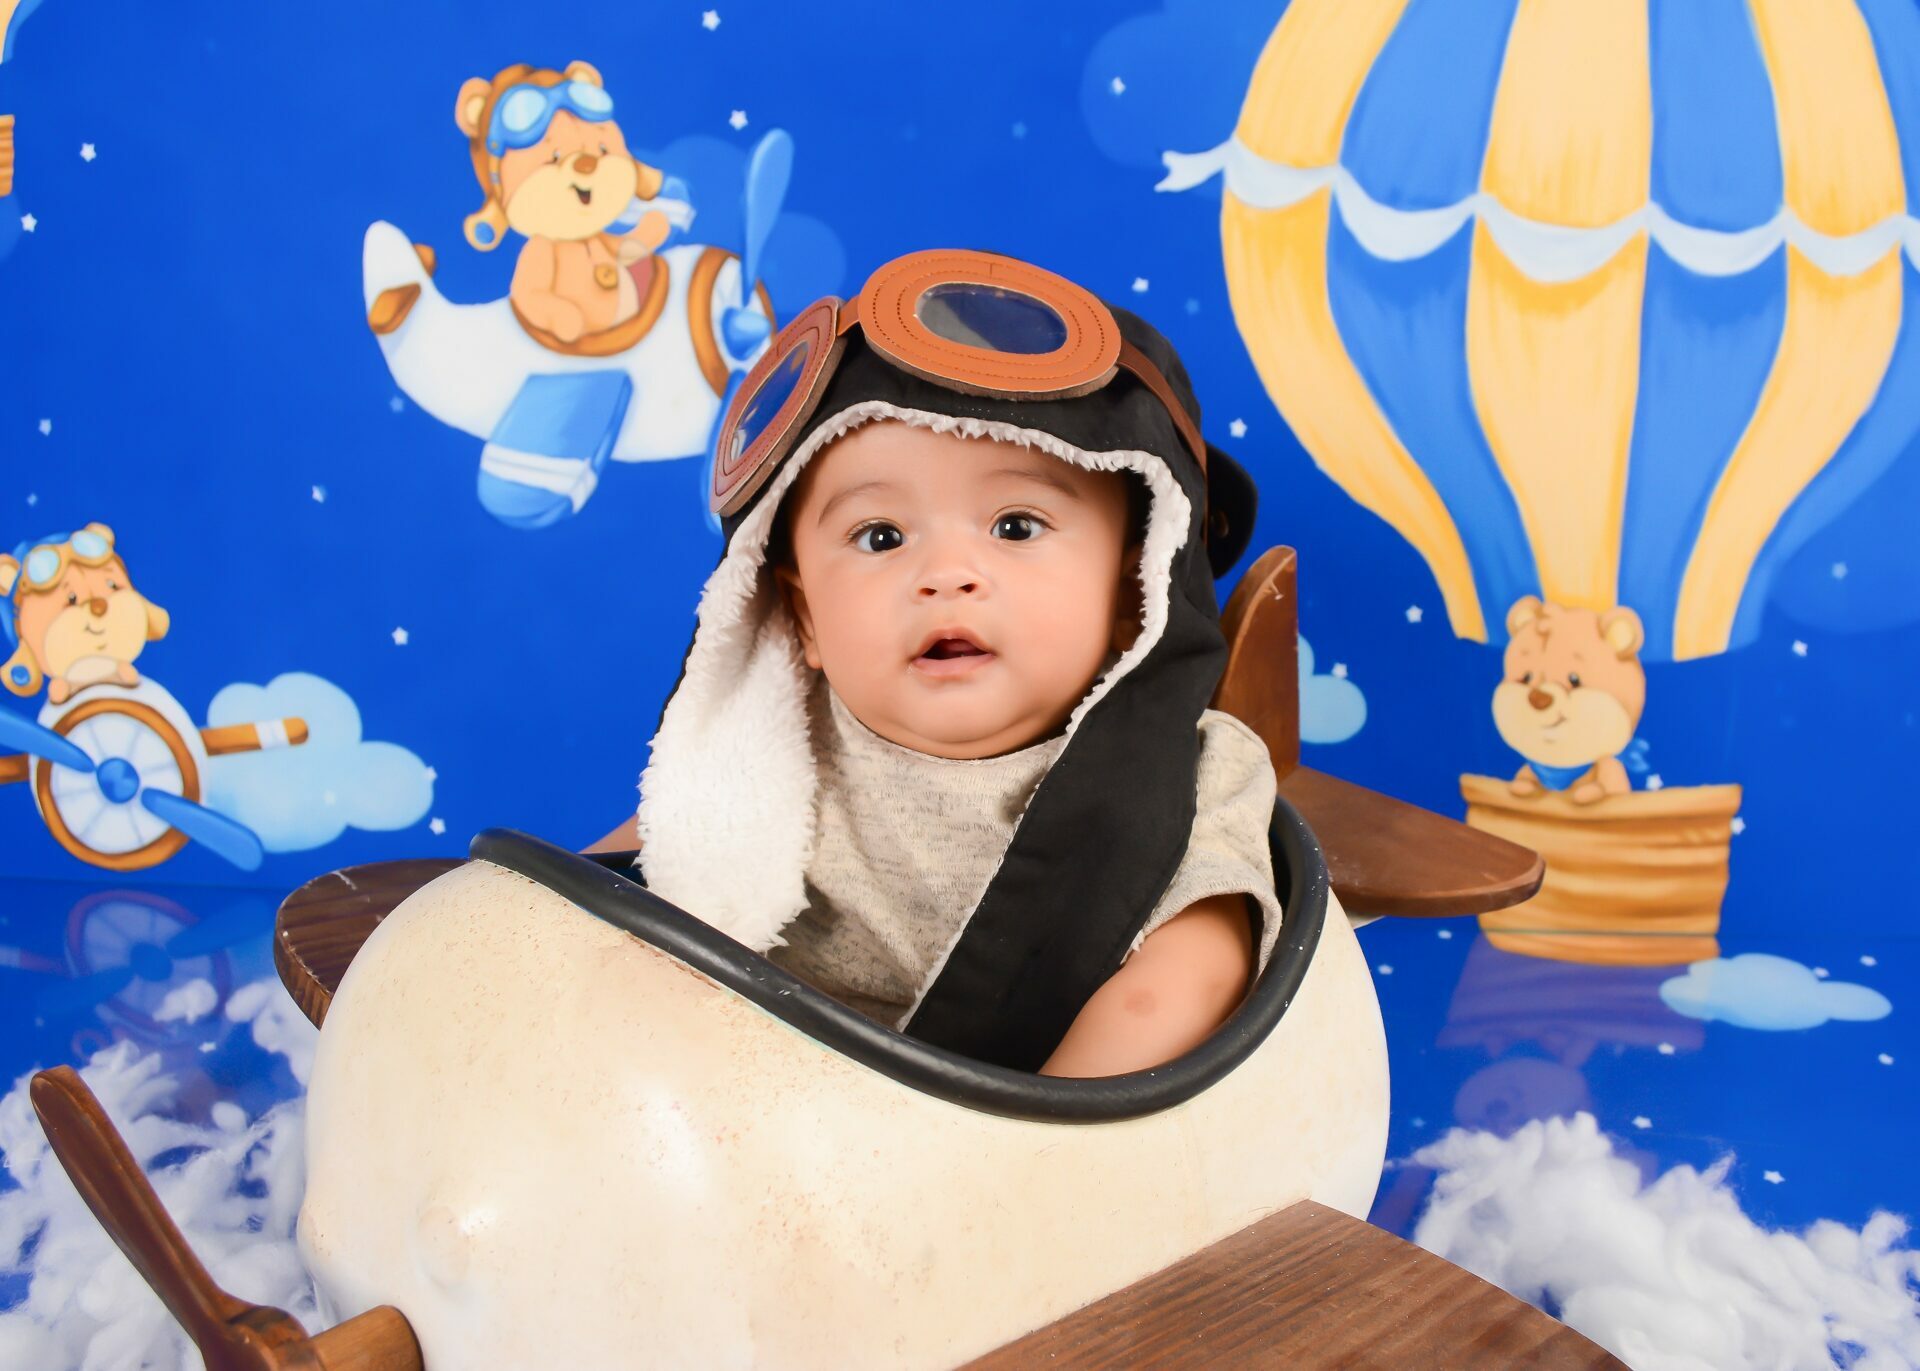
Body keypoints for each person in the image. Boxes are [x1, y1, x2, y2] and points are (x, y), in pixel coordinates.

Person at [595, 248, 1279, 1077]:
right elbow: (645, 862)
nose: (946, 574)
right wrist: (532, 914)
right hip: (747, 1106)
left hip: (1020, 1124)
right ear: (804, 616)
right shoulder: (767, 749)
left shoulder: (1193, 773)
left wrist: (1023, 1132)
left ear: (1136, 593)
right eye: (881, 536)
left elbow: (1190, 976)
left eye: (1016, 526)